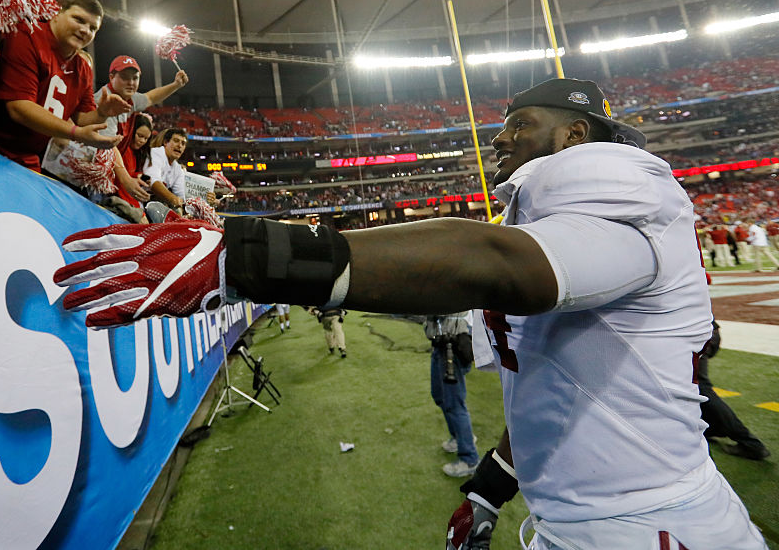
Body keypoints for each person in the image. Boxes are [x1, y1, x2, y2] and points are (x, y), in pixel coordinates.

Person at [54, 77, 766, 549]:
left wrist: (243, 258)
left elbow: (490, 262)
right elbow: (569, 395)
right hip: (585, 520)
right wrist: (491, 488)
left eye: (520, 125)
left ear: (577, 138)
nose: (500, 140)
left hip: (653, 528)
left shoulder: (620, 187)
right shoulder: (564, 230)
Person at [0, 0, 124, 171]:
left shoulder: (82, 67)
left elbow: (82, 118)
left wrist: (102, 113)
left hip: (28, 157)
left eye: (93, 28)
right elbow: (19, 107)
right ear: (56, 12)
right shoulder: (27, 35)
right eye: (79, 20)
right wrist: (76, 133)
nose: (85, 31)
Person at [100, 55, 189, 204]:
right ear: (111, 77)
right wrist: (126, 180)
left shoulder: (129, 99)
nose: (131, 83)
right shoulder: (105, 101)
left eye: (135, 78)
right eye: (125, 77)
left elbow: (150, 98)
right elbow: (109, 146)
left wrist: (176, 85)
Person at [698, 321, 770, 461]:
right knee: (695, 387)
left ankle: (751, 444)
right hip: (703, 332)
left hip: (698, 334)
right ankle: (712, 427)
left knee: (701, 388)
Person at [424, 312, 479, 478]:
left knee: (454, 404)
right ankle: (460, 437)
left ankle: (469, 458)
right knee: (439, 396)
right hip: (440, 343)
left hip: (452, 344)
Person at [113, 112, 154, 211]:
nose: (142, 141)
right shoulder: (122, 151)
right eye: (140, 136)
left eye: (146, 138)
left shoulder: (136, 154)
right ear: (131, 131)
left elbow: (129, 175)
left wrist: (138, 176)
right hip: (120, 198)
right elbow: (120, 181)